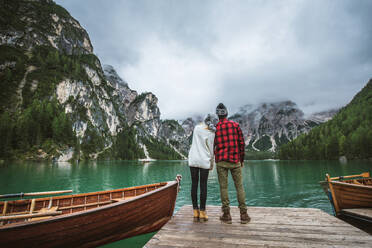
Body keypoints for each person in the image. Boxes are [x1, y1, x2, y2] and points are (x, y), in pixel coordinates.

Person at [214, 103, 250, 224]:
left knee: (223, 188)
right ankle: (244, 215)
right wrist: (242, 159)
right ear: (227, 114)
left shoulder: (216, 127)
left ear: (217, 115)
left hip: (221, 161)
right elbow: (241, 144)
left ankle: (226, 215)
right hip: (235, 161)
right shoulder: (235, 125)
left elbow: (213, 145)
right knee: (239, 187)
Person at [188, 114, 217, 222]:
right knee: (203, 185)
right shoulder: (211, 133)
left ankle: (195, 211)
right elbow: (211, 149)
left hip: (193, 159)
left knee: (194, 184)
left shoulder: (197, 128)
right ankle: (203, 212)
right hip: (204, 160)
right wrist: (212, 163)